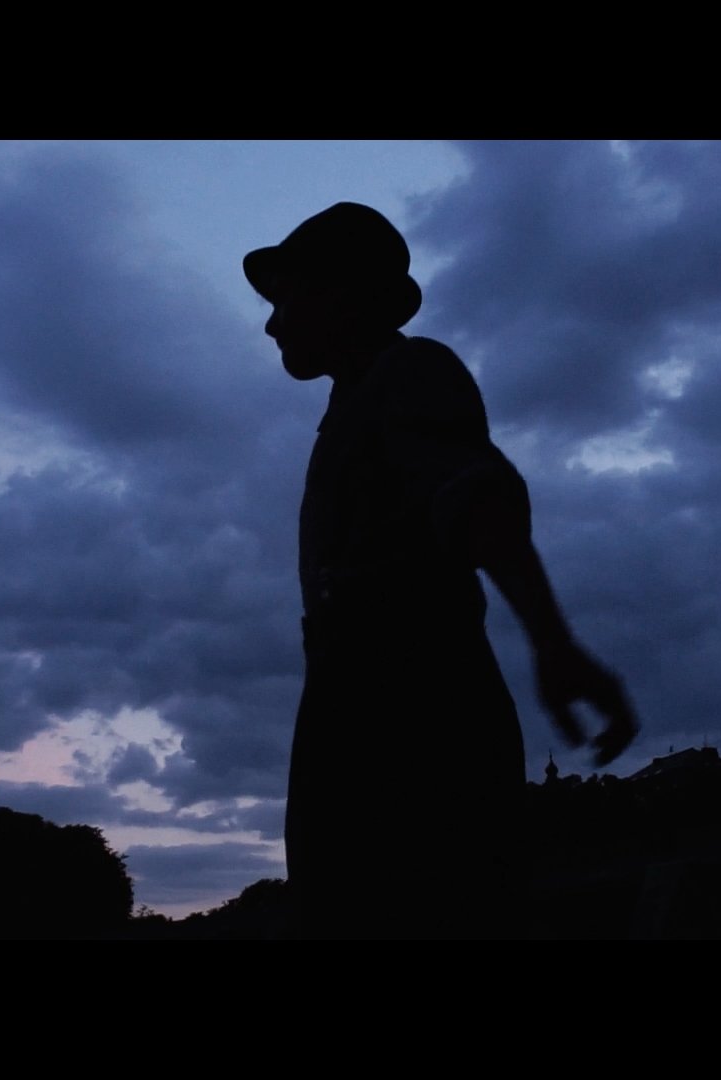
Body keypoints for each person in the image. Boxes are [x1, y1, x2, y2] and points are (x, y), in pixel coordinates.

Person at [245, 202, 639, 938]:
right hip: (358, 707)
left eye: (286, 298)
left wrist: (552, 642)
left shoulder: (412, 369)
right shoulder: (352, 406)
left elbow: (476, 496)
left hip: (410, 710)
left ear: (344, 295)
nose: (272, 324)